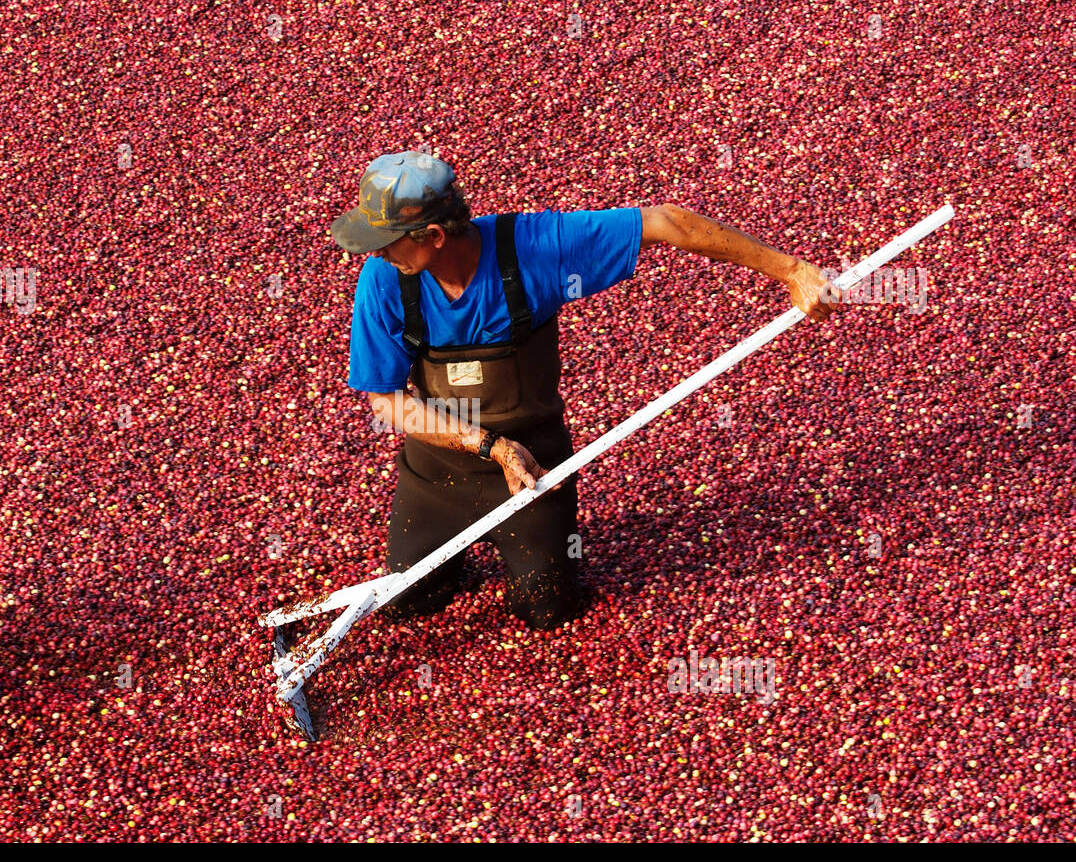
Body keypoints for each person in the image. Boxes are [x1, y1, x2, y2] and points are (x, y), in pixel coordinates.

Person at [331, 151, 839, 631]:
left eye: (387, 240)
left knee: (547, 608)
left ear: (435, 234)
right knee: (407, 601)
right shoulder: (384, 279)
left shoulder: (534, 247)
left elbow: (668, 222)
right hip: (439, 467)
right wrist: (490, 447)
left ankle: (533, 545)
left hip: (537, 462)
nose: (375, 252)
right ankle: (452, 557)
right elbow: (388, 401)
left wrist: (793, 272)